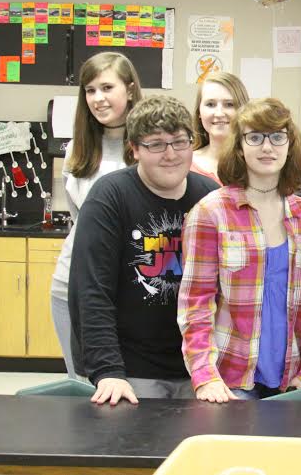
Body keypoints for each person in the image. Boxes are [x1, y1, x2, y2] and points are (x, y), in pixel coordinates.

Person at [68, 95, 218, 406]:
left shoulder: (212, 198)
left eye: (180, 142)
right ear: (134, 149)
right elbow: (91, 292)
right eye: (155, 145)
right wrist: (108, 371)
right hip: (130, 370)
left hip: (199, 369)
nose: (171, 154)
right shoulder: (109, 197)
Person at [179, 99, 301, 402]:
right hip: (230, 379)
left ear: (290, 144)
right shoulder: (211, 212)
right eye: (255, 137)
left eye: (277, 136)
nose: (267, 147)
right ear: (239, 147)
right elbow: (196, 304)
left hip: (291, 377)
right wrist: (205, 376)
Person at [50, 52, 143, 378]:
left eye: (107, 87)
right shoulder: (78, 147)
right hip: (71, 287)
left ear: (130, 90)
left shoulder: (150, 147)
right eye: (90, 90)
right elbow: (79, 221)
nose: (98, 98)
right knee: (84, 389)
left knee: (128, 388)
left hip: (130, 293)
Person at [190, 72, 249, 184]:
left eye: (229, 104)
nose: (219, 113)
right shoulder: (184, 163)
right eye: (211, 104)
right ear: (199, 112)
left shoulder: (257, 164)